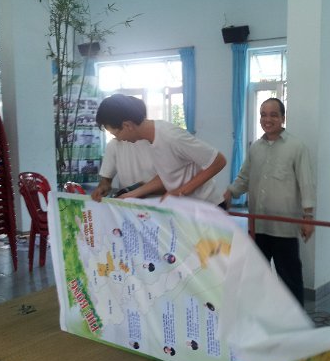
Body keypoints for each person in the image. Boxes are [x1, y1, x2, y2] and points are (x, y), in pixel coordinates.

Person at [224, 98, 315, 305]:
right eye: (263, 114)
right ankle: (260, 316)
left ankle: (295, 319)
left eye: (273, 115)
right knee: (256, 276)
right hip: (258, 226)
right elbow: (244, 178)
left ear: (283, 118)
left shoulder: (296, 147)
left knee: (289, 278)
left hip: (284, 227)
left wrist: (308, 217)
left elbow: (306, 184)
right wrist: (230, 192)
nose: (268, 119)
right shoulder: (255, 148)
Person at [93, 94, 226, 206]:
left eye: (116, 134)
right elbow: (166, 175)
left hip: (209, 206)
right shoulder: (151, 140)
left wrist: (180, 192)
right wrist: (130, 195)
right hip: (188, 208)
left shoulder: (170, 136)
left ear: (127, 125)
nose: (118, 139)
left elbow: (219, 161)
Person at [91, 135, 158, 201]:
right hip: (126, 201)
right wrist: (102, 187)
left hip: (156, 201)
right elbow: (106, 179)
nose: (115, 136)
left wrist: (137, 192)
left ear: (129, 128)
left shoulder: (156, 141)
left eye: (117, 132)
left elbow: (163, 181)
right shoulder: (114, 144)